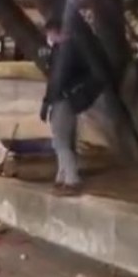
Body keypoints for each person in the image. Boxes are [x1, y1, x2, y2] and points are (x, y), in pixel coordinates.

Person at [40, 16, 99, 196]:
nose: (48, 37)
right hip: (66, 99)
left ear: (56, 32)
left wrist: (47, 101)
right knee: (66, 139)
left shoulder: (66, 51)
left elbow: (56, 81)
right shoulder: (67, 50)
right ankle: (62, 176)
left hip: (62, 100)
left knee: (60, 141)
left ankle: (72, 180)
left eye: (49, 33)